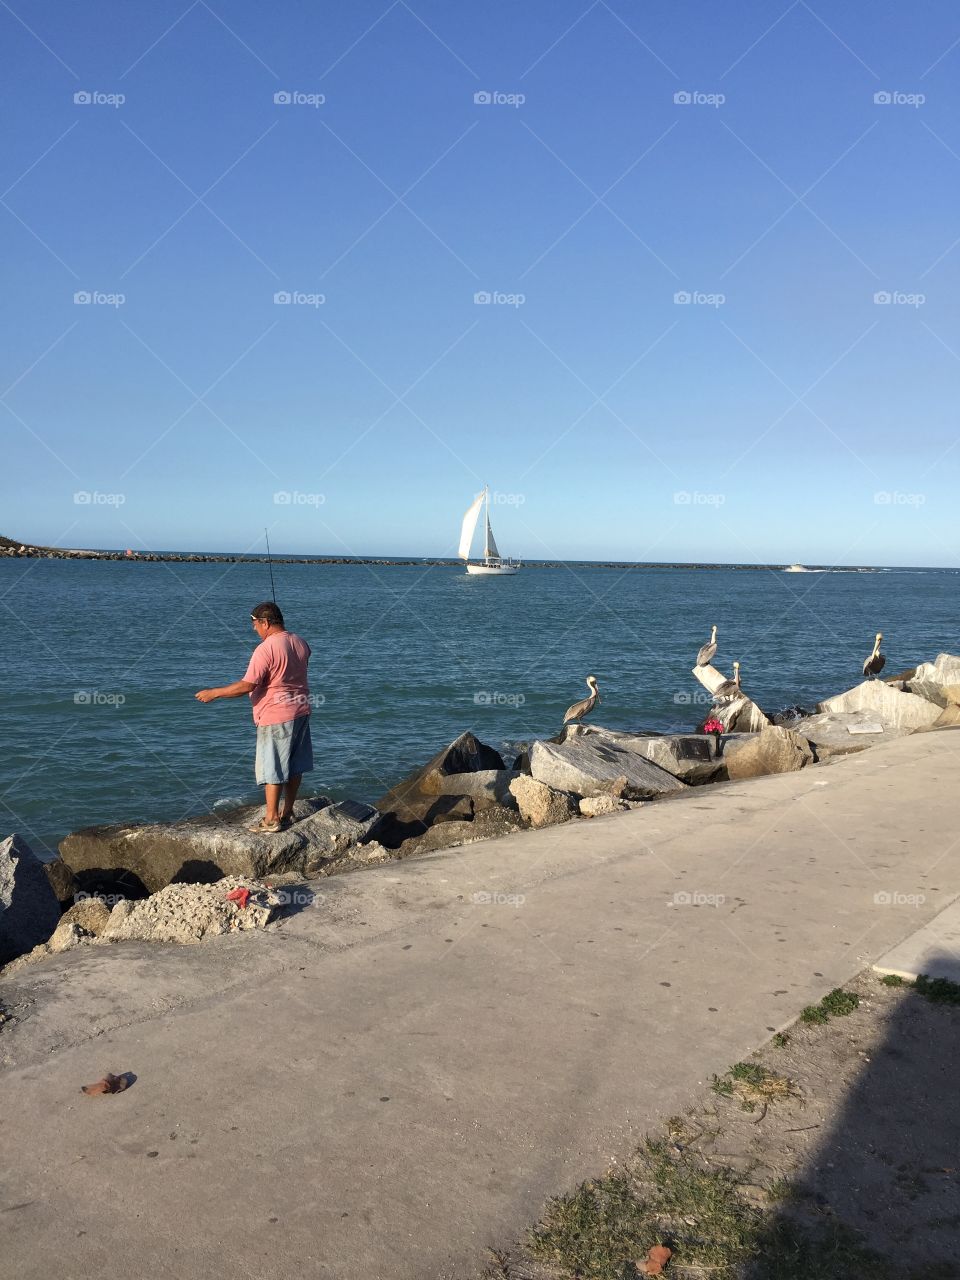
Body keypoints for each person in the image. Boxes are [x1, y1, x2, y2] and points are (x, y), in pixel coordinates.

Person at [195, 602, 313, 833]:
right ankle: (287, 812)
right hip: (301, 711)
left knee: (273, 768)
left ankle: (271, 819)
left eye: (255, 626)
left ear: (265, 622)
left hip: (276, 715)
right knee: (294, 766)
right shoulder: (301, 642)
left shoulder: (265, 649)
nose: (255, 631)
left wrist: (215, 693)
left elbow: (247, 685)